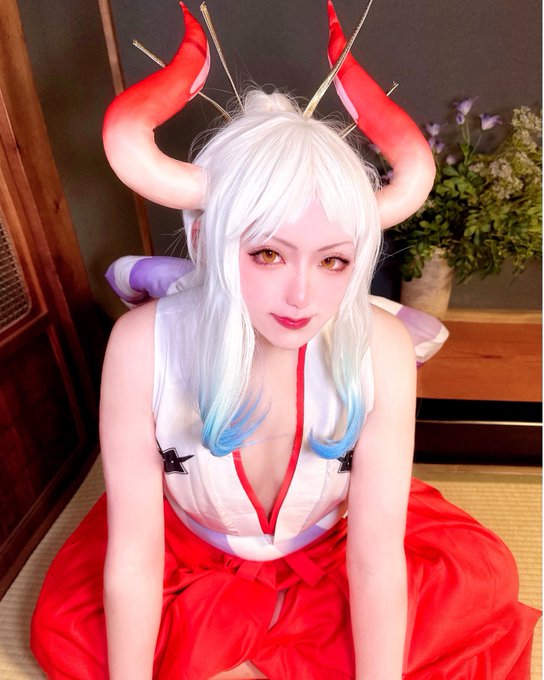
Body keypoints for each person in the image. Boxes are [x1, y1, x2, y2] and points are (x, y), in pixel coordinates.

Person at [31, 3, 539, 679]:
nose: (303, 297)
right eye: (268, 254)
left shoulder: (383, 348)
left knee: (468, 588)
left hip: (329, 546)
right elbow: (134, 553)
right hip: (187, 548)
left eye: (333, 261)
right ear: (206, 238)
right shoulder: (139, 345)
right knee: (75, 632)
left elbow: (376, 554)